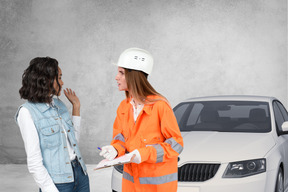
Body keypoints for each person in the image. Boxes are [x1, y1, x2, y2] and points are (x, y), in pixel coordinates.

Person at [100, 48, 184, 192]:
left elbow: (176, 144)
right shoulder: (124, 107)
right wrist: (115, 149)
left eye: (121, 73)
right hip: (131, 185)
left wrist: (144, 154)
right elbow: (121, 139)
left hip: (157, 187)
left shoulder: (160, 106)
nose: (116, 77)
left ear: (134, 76)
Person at [15, 57, 90, 192]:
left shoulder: (59, 105)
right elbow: (34, 162)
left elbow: (74, 142)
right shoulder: (26, 112)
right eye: (59, 77)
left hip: (80, 174)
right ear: (47, 80)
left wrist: (76, 107)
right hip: (58, 183)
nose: (62, 82)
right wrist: (49, 189)